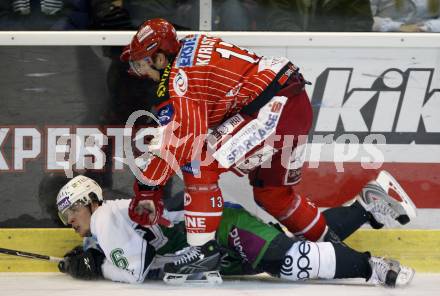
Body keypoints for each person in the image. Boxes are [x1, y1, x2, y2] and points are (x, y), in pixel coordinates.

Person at [120, 18, 415, 281]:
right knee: (272, 194)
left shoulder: (177, 79)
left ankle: (201, 253)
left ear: (159, 57)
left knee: (200, 163)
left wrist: (147, 191)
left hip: (271, 109)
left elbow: (182, 139)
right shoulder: (192, 45)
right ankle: (366, 209)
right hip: (294, 104)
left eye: (140, 64)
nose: (139, 72)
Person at [56, 174, 415, 286]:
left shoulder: (103, 217)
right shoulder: (106, 226)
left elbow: (133, 272)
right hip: (207, 253)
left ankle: (374, 269)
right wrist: (95, 256)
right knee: (288, 249)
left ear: (89, 200)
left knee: (289, 261)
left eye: (71, 211)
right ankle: (365, 207)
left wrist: (93, 267)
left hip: (218, 232)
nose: (70, 221)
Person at [370, 0, 440, 32]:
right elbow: (365, 19)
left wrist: (426, 27)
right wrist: (398, 27)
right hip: (385, 39)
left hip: (429, 40)